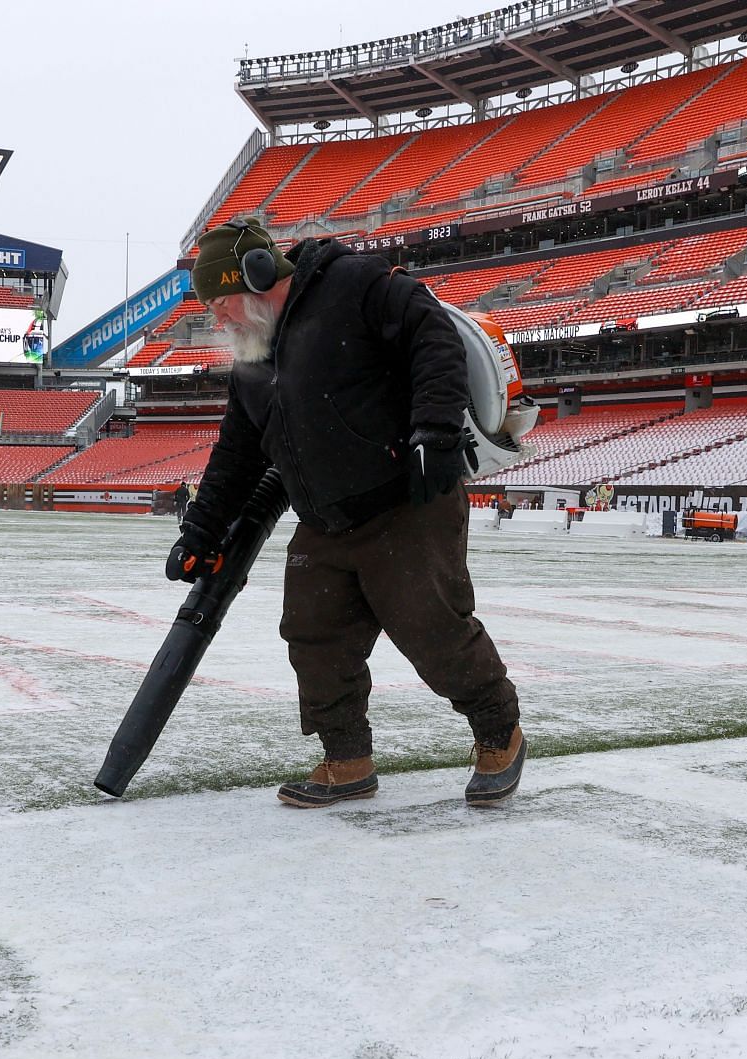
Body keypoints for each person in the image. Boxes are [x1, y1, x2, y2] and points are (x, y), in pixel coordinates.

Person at [170, 215, 524, 808]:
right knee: (315, 638)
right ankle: (346, 760)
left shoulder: (354, 282)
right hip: (325, 520)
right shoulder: (254, 357)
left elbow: (431, 338)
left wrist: (435, 432)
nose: (218, 319)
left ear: (256, 278)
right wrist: (201, 531)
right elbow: (236, 452)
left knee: (434, 633)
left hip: (405, 501)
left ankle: (499, 733)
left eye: (222, 303)